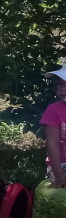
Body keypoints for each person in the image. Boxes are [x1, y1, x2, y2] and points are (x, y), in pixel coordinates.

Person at [42, 60, 66, 188]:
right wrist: (60, 176)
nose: (62, 88)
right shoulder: (53, 110)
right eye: (60, 84)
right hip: (62, 165)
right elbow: (52, 146)